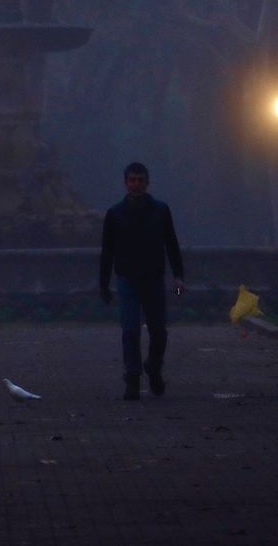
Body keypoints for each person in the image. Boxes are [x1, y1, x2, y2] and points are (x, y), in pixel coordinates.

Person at [99, 161, 185, 400]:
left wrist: (178, 277)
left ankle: (154, 367)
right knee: (130, 329)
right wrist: (104, 283)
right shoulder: (115, 214)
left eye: (140, 180)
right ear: (126, 183)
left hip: (154, 279)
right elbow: (107, 251)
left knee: (159, 331)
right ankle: (133, 377)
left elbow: (172, 245)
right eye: (132, 180)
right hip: (127, 279)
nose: (136, 184)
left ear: (147, 182)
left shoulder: (160, 210)